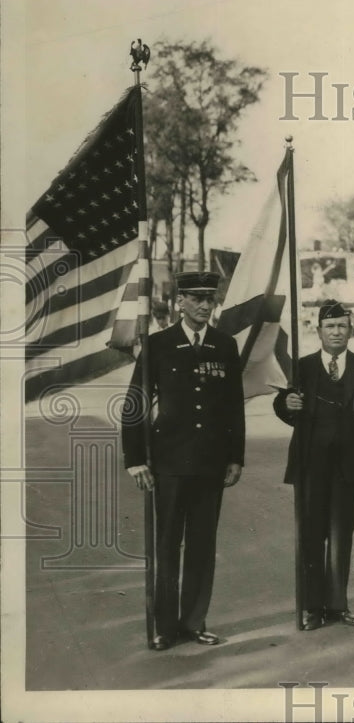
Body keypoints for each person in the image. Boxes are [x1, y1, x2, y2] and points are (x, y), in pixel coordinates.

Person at [122, 271, 245, 651]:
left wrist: (235, 457)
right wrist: (136, 459)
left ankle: (194, 622)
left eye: (210, 299)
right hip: (170, 462)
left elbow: (233, 407)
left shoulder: (225, 346)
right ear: (180, 302)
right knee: (167, 545)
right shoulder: (158, 345)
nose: (205, 306)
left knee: (202, 546)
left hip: (210, 463)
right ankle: (164, 627)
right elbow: (134, 404)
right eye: (196, 299)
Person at [273, 299, 354, 630]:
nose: (336, 332)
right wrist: (287, 403)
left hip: (349, 467)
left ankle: (337, 605)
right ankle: (312, 608)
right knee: (311, 536)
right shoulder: (302, 367)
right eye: (330, 327)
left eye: (342, 326)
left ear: (351, 331)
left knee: (341, 537)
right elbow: (284, 403)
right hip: (311, 465)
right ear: (318, 331)